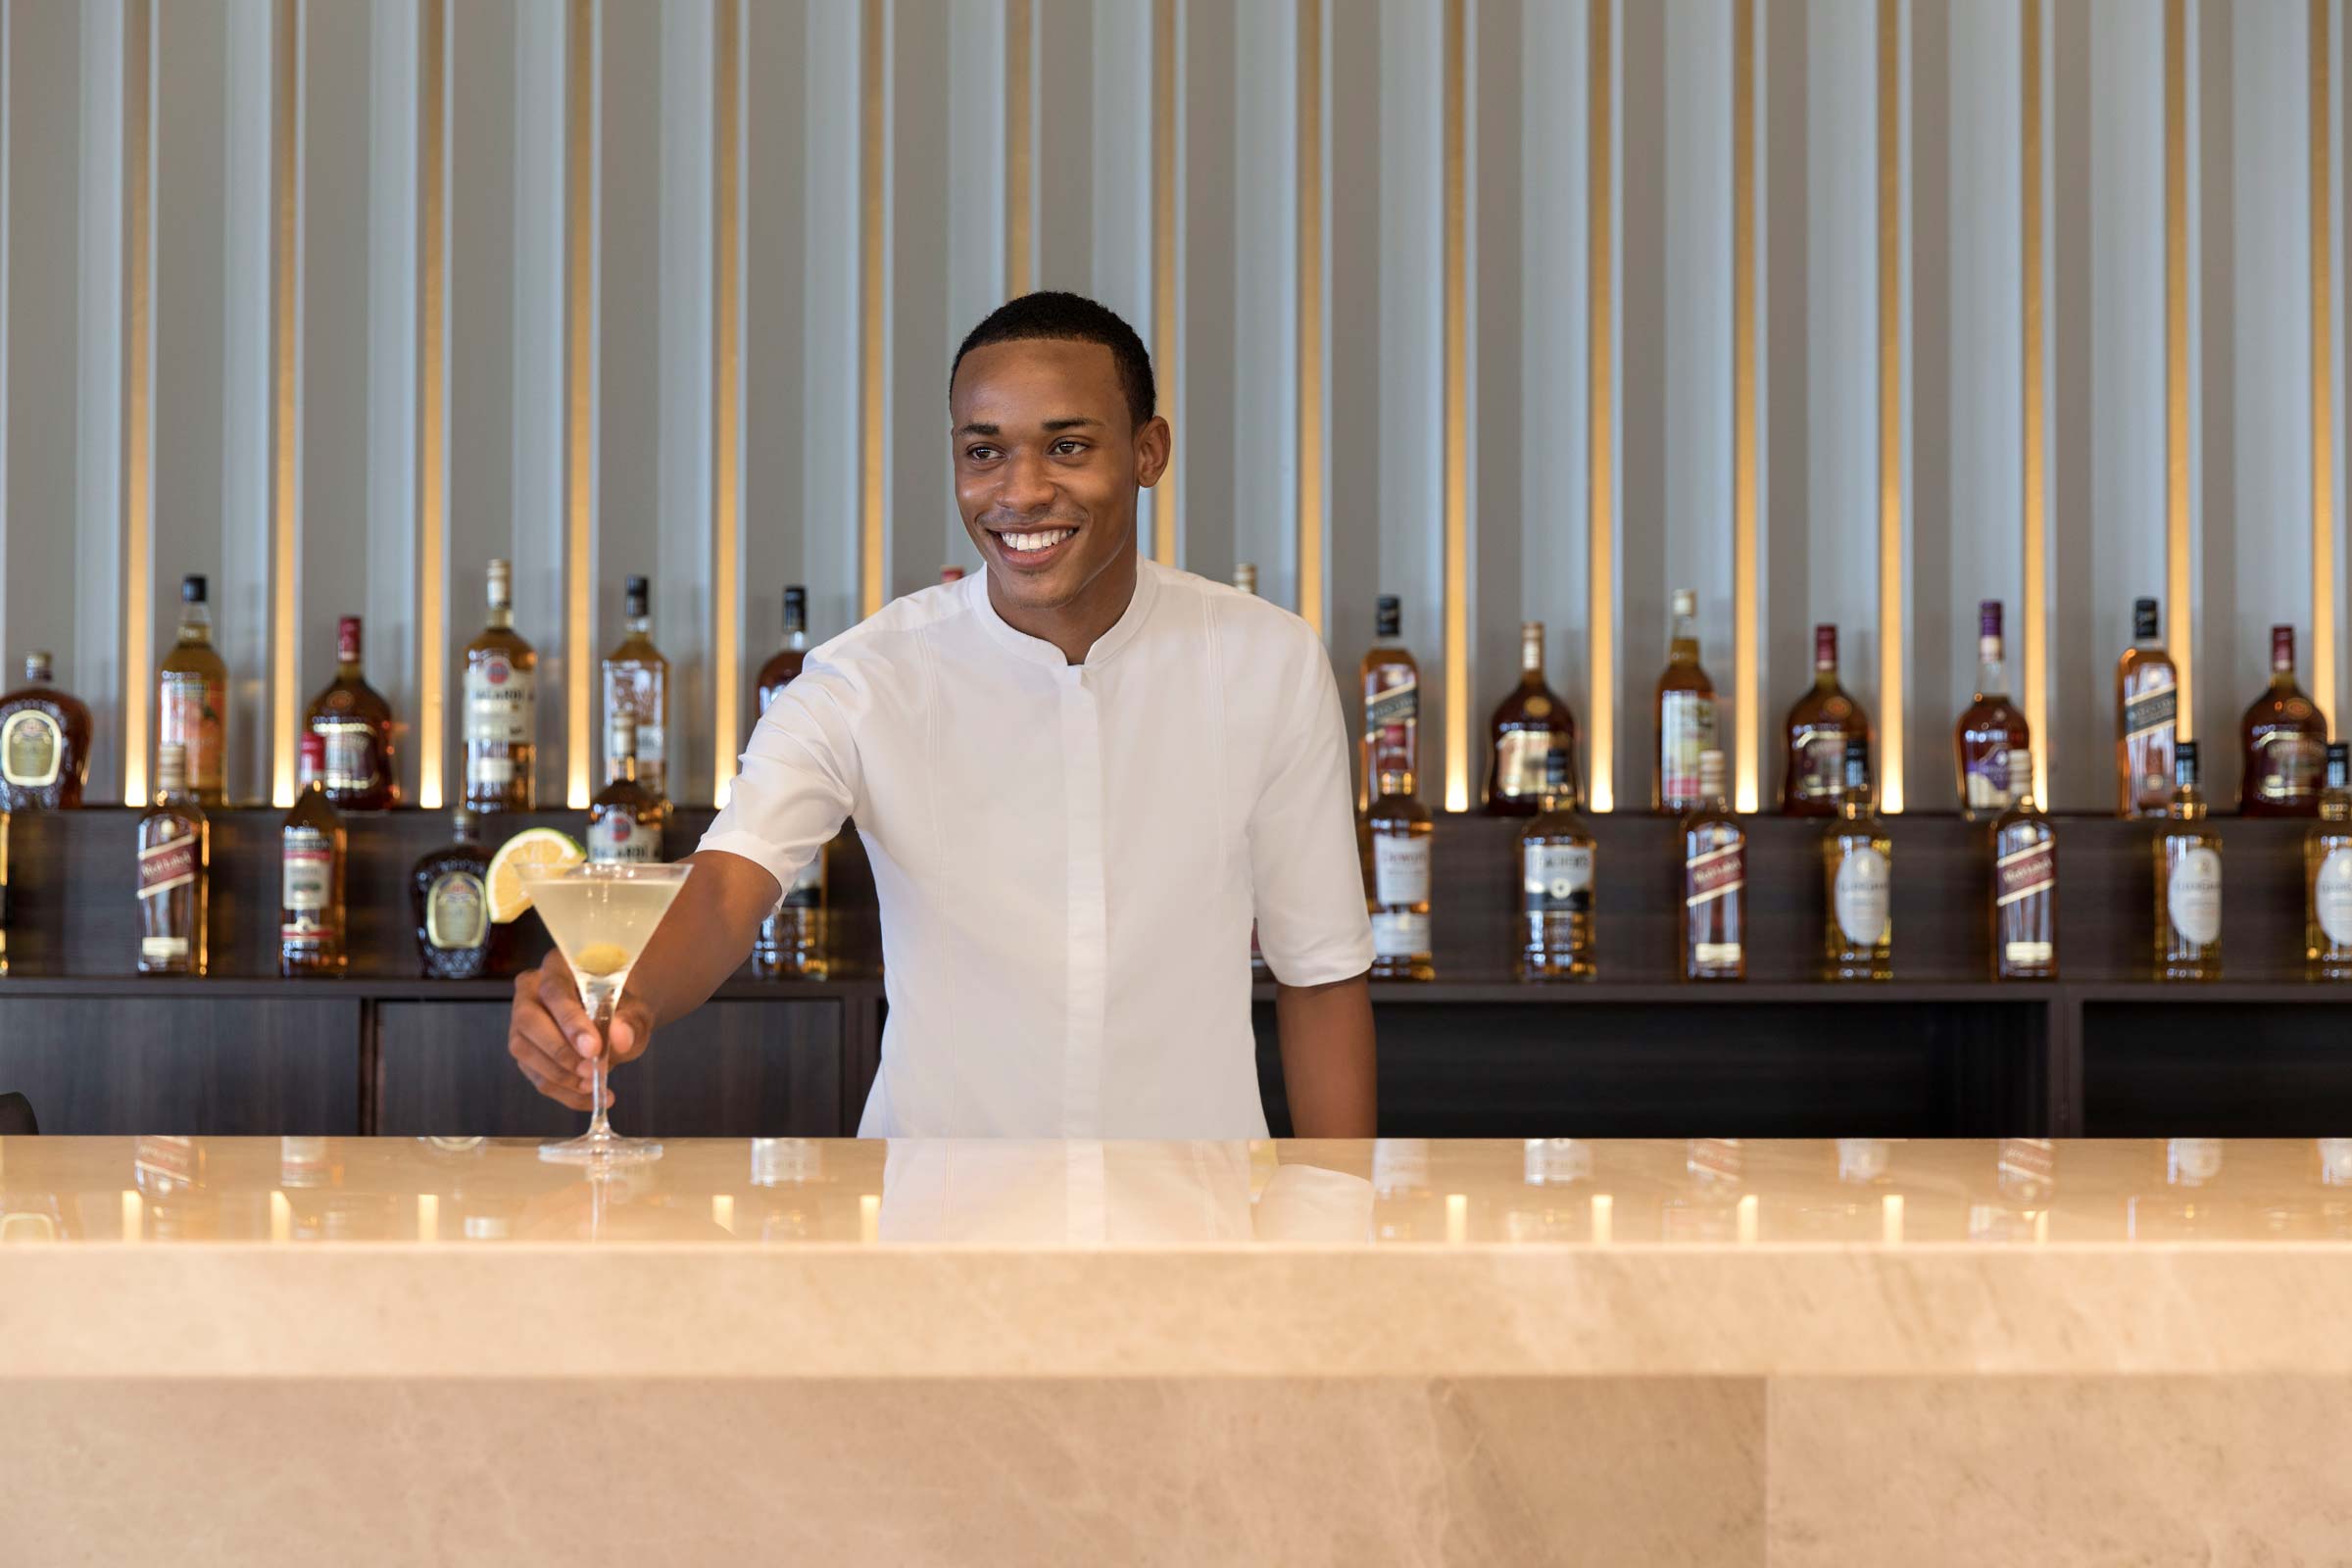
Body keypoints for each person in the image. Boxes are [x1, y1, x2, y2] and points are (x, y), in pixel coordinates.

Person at [506, 291, 1376, 1137]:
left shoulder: (1268, 660)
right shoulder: (864, 678)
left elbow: (1321, 973)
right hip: (935, 1224)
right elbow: (729, 887)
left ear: (1149, 452)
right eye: (984, 452)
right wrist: (618, 997)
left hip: (1200, 1226)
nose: (1021, 491)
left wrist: (1344, 1237)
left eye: (1068, 446)